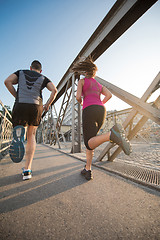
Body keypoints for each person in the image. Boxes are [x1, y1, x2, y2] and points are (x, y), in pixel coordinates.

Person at [71, 57, 131, 180]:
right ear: (94, 73)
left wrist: (81, 101)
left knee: (88, 142)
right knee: (92, 141)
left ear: (86, 72)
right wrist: (101, 102)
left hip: (89, 110)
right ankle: (88, 169)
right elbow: (109, 95)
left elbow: (77, 96)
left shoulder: (82, 81)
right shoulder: (98, 84)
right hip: (101, 110)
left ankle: (111, 135)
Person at [4, 60, 57, 180]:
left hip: (20, 104)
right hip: (36, 106)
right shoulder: (44, 77)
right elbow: (54, 90)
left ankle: (18, 135)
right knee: (32, 135)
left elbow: (7, 81)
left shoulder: (21, 72)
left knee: (20, 128)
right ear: (41, 70)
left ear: (30, 68)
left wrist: (16, 96)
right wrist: (47, 104)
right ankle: (27, 170)